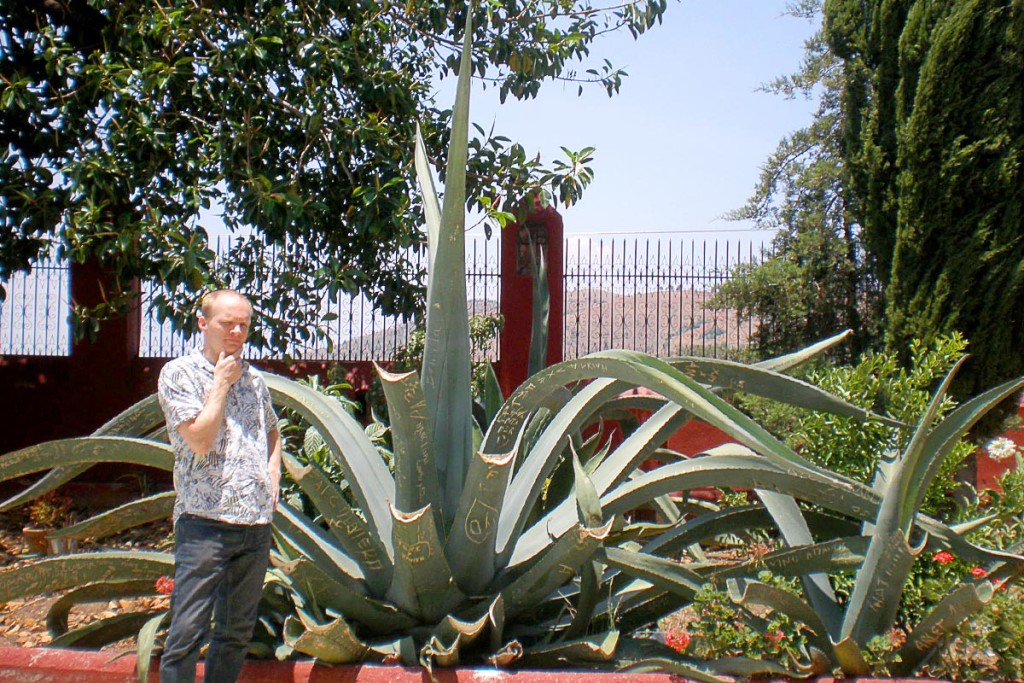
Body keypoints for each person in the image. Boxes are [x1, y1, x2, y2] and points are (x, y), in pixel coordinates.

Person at [156, 289, 282, 683]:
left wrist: (272, 477)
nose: (237, 331)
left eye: (244, 324)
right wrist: (221, 383)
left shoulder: (255, 380)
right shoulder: (179, 374)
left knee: (234, 634)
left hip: (254, 526)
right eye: (228, 323)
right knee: (186, 634)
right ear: (203, 322)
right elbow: (199, 438)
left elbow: (273, 432)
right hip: (204, 524)